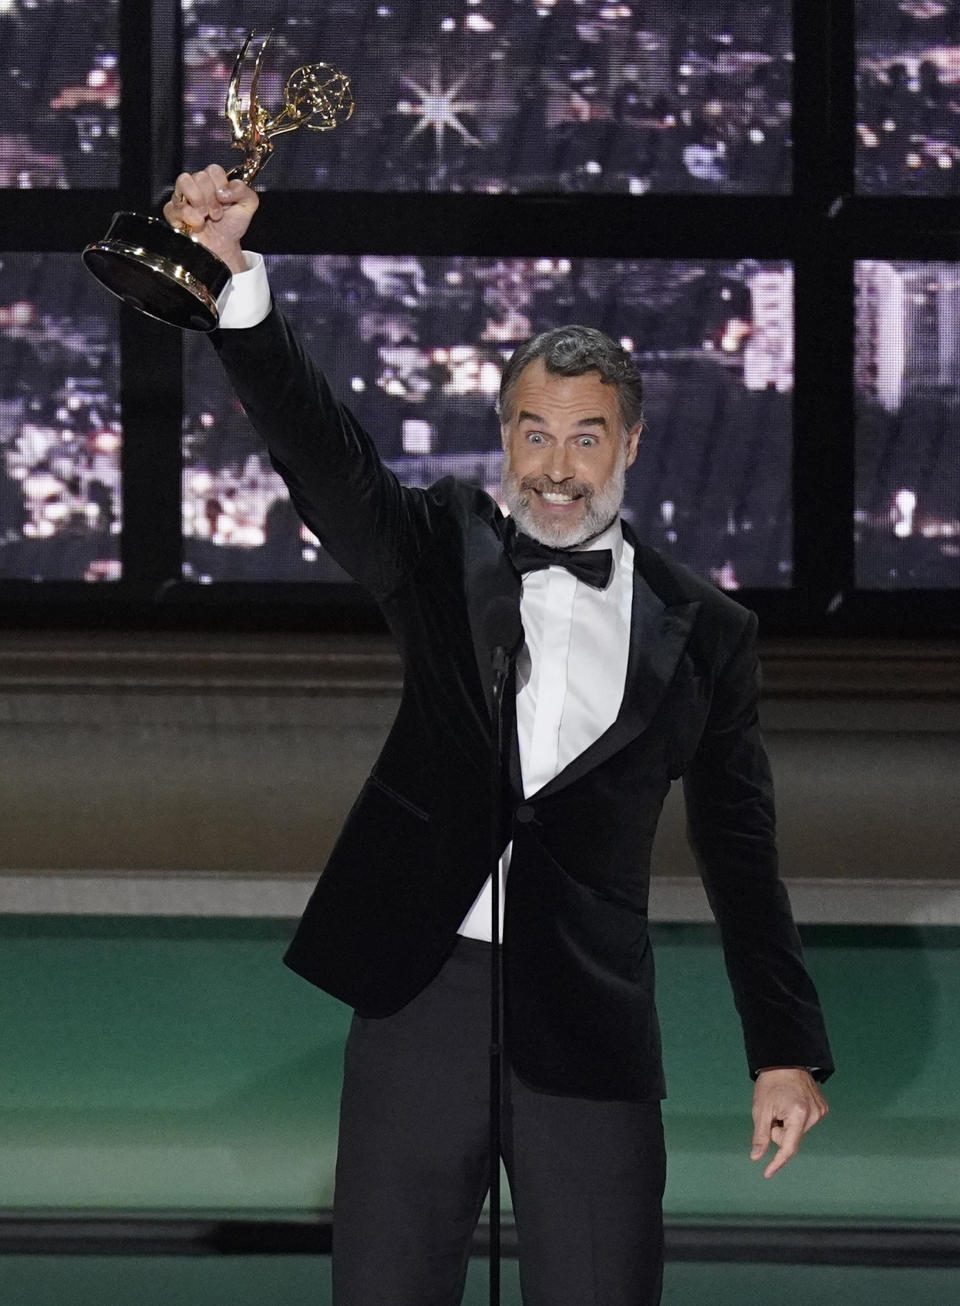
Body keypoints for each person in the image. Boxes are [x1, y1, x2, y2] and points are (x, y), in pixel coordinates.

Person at [164, 166, 833, 1306]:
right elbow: (325, 459)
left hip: (591, 1016)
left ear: (629, 443)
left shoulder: (710, 632)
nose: (556, 468)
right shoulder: (442, 550)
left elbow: (742, 856)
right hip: (423, 994)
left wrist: (785, 1049)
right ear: (505, 437)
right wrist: (234, 285)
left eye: (584, 439)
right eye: (534, 435)